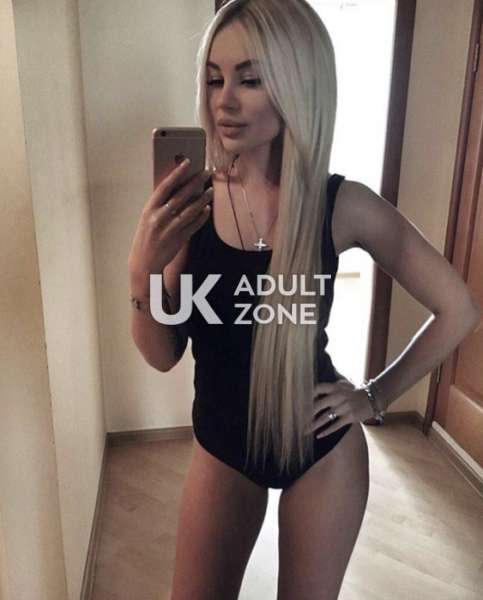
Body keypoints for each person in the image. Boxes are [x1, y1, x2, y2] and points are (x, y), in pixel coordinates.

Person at [127, 1, 482, 598]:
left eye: (250, 78)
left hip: (322, 450)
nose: (224, 100)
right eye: (214, 79)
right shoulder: (194, 205)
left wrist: (375, 395)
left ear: (299, 82)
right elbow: (162, 355)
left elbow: (459, 309)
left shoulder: (344, 205)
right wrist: (142, 272)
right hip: (223, 446)